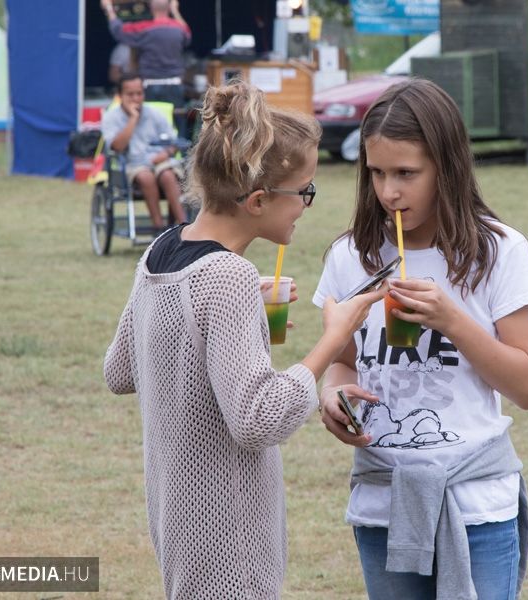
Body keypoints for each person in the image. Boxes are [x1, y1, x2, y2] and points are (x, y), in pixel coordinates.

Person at [103, 80, 384, 598]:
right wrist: (333, 339)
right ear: (258, 200)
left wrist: (223, 320)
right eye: (305, 191)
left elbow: (120, 369)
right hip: (228, 541)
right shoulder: (227, 276)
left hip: (178, 524)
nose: (307, 204)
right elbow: (259, 419)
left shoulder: (161, 250)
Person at [314, 78, 528, 600]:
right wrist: (333, 395)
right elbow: (343, 362)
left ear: (447, 166)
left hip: (476, 503)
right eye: (376, 172)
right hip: (383, 502)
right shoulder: (350, 257)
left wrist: (453, 321)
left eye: (406, 173)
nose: (389, 192)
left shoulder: (499, 253)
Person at [101, 73, 187, 230]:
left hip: (161, 161)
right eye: (130, 94)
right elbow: (117, 147)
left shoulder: (155, 114)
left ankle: (182, 225)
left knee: (168, 175)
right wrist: (133, 119)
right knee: (146, 177)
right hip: (131, 164)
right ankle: (158, 226)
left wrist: (166, 153)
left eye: (139, 93)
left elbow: (173, 142)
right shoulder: (111, 117)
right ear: (120, 95)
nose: (136, 98)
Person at [100, 0, 190, 107]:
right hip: (174, 84)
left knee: (149, 117)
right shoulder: (178, 28)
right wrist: (175, 11)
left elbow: (118, 30)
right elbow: (187, 32)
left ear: (151, 8)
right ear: (169, 8)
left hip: (149, 86)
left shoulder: (143, 28)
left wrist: (109, 8)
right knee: (174, 117)